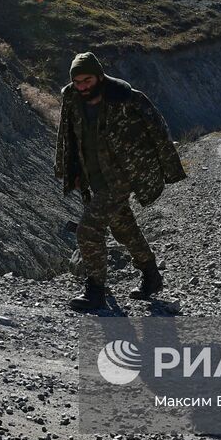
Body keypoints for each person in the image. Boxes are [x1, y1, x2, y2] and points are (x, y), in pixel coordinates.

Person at [54, 52, 186, 311]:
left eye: (87, 80)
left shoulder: (126, 97)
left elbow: (157, 129)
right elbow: (68, 134)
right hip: (95, 177)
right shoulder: (72, 97)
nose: (83, 86)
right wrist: (73, 170)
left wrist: (166, 169)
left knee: (88, 230)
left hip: (121, 176)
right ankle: (151, 275)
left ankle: (95, 291)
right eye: (78, 81)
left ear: (100, 76)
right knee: (123, 227)